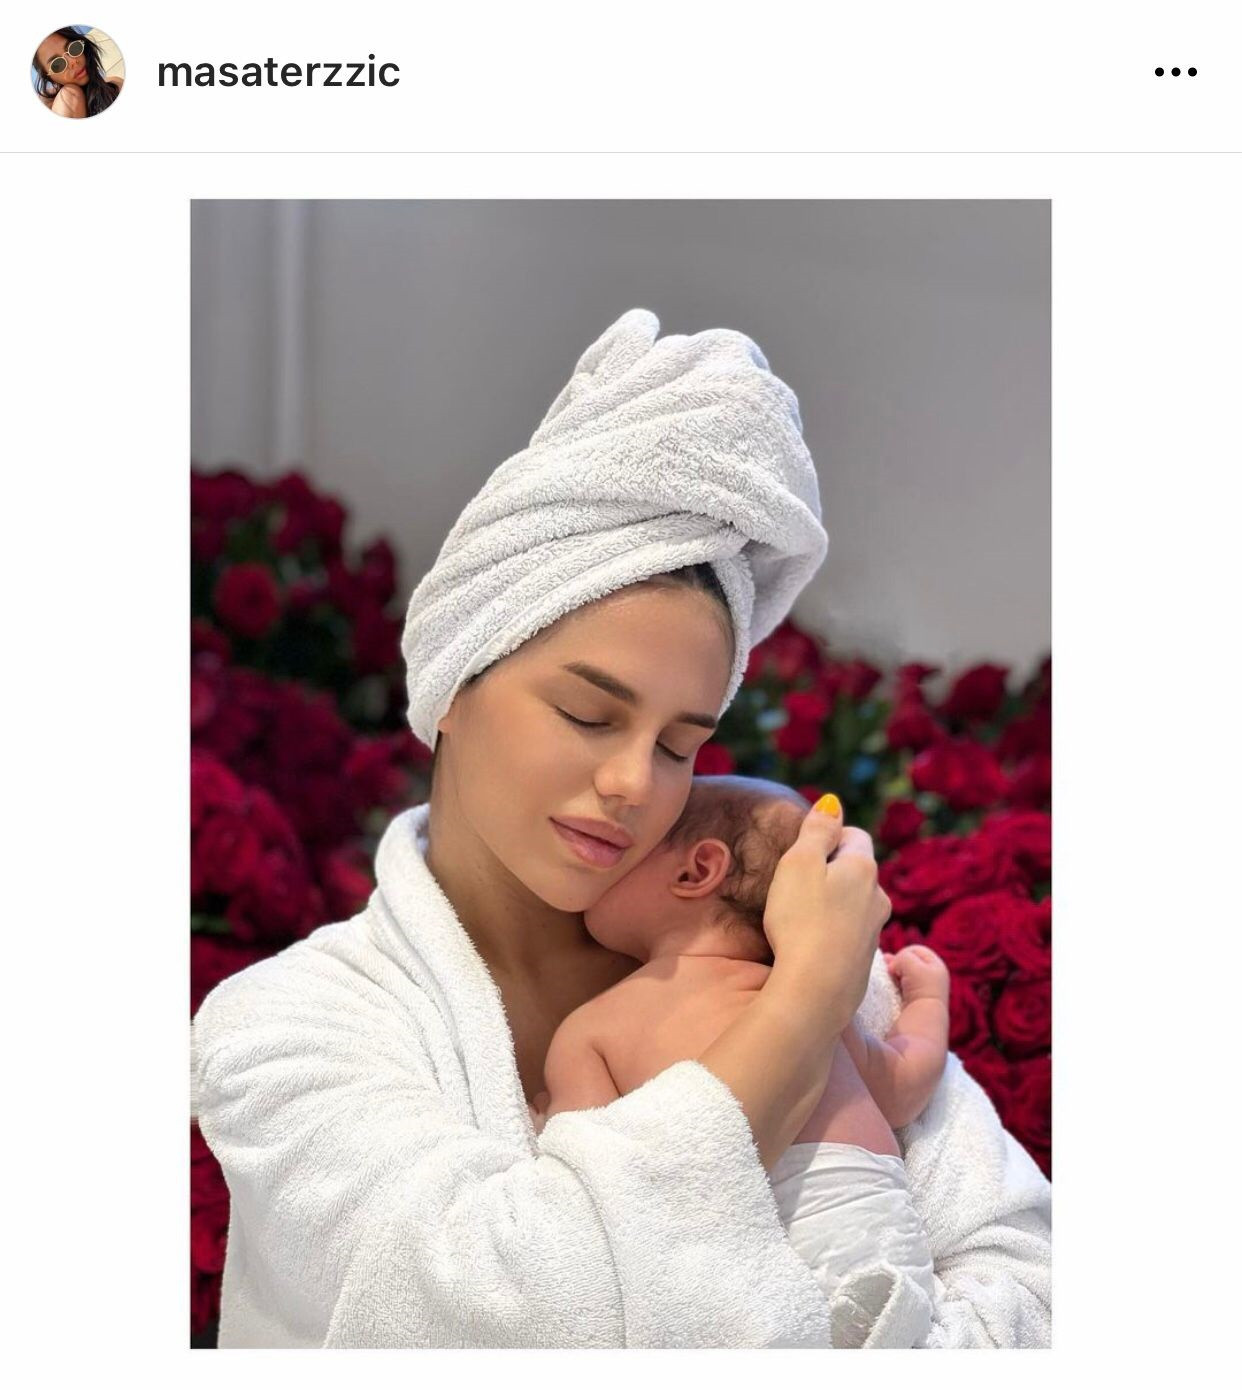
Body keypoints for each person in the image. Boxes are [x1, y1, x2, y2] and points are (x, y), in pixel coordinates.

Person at [191, 308, 1051, 1347]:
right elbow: (494, 1315)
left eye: (682, 743)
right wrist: (801, 1013)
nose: (634, 782)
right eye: (588, 715)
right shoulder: (282, 1030)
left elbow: (1033, 1279)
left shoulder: (785, 948)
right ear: (455, 682)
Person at [531, 774, 954, 1347]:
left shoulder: (592, 1029)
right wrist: (928, 1002)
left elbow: (596, 1176)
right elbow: (901, 1087)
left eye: (630, 851)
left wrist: (543, 1115)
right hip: (884, 1255)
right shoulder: (806, 997)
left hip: (740, 1265)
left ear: (696, 870)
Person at [32, 29, 122, 120]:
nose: (73, 61)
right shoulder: (66, 97)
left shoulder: (115, 85)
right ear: (49, 78)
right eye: (57, 64)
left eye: (73, 48)